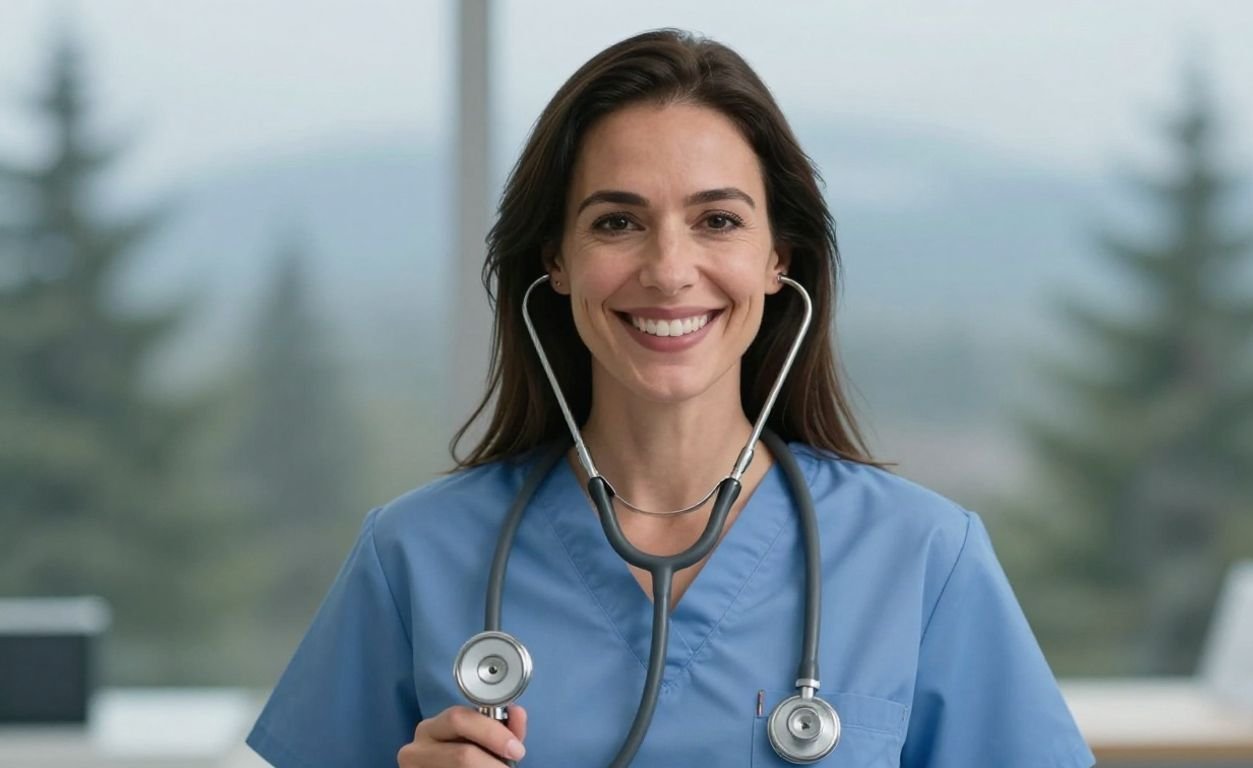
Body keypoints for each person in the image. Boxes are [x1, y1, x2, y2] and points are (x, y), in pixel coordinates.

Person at [246, 28, 1095, 768]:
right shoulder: (414, 557)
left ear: (778, 259)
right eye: (617, 222)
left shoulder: (923, 560)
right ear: (557, 259)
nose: (668, 269)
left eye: (717, 220)